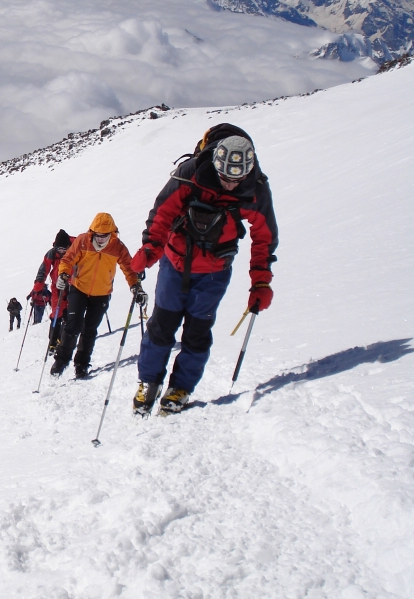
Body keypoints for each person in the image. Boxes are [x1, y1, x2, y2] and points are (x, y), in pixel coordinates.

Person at [131, 126, 278, 415]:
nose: (230, 185)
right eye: (224, 177)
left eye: (237, 179)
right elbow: (163, 213)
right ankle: (149, 381)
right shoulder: (191, 173)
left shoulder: (256, 189)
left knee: (197, 332)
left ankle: (180, 388)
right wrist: (150, 248)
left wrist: (261, 282)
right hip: (175, 262)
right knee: (161, 326)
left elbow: (264, 237)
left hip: (214, 271)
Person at [51, 213, 144, 379]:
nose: (101, 239)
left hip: (101, 294)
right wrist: (63, 274)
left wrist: (135, 286)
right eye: (98, 235)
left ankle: (82, 364)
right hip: (79, 288)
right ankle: (60, 361)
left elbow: (129, 268)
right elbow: (67, 259)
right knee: (73, 326)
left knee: (90, 330)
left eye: (105, 236)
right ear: (92, 232)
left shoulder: (117, 247)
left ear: (112, 234)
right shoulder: (82, 240)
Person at [33, 229, 74, 353]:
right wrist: (38, 286)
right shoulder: (52, 253)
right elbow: (44, 269)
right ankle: (52, 341)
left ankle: (66, 339)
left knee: (70, 314)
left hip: (73, 286)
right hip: (57, 287)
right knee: (57, 313)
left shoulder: (75, 251)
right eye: (59, 249)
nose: (61, 252)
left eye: (64, 249)